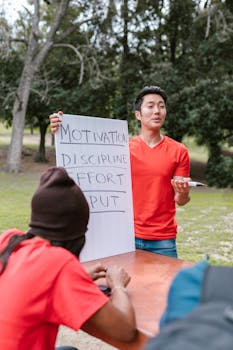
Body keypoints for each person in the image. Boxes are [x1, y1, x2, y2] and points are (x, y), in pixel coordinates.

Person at [0, 166, 137, 350]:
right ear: (76, 237)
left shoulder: (8, 240)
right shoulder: (58, 264)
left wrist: (77, 276)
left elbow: (32, 283)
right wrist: (118, 285)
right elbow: (125, 331)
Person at [49, 85, 191, 258]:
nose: (157, 111)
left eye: (161, 106)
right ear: (138, 114)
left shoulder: (179, 151)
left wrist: (183, 193)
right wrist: (63, 130)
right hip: (123, 236)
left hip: (163, 239)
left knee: (166, 286)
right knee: (121, 284)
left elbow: (181, 200)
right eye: (151, 106)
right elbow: (85, 159)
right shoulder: (121, 149)